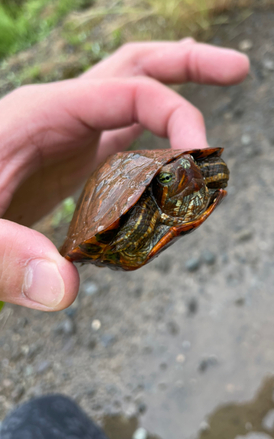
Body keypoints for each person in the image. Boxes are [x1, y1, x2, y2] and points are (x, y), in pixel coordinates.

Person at [0, 39, 249, 312]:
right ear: (157, 190)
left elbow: (214, 170)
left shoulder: (192, 172)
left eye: (189, 164)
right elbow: (124, 240)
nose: (186, 170)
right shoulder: (144, 212)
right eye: (166, 179)